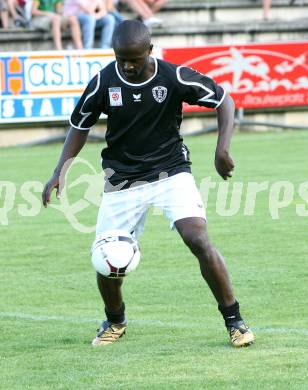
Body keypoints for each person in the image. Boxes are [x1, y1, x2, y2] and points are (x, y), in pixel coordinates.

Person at [42, 20, 255, 348]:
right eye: (120, 59)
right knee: (106, 257)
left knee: (197, 238)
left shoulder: (173, 76)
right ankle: (115, 321)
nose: (127, 66)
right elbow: (79, 125)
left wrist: (222, 148)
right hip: (122, 179)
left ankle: (235, 321)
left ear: (149, 52)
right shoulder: (103, 81)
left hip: (171, 172)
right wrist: (60, 170)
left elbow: (224, 100)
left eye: (135, 60)